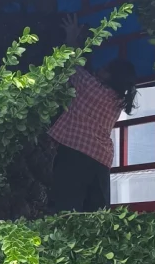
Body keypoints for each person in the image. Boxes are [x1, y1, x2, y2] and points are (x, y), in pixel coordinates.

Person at [46, 13, 136, 212]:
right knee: (94, 214)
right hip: (101, 162)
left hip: (76, 154)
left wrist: (71, 38)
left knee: (64, 209)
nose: (98, 70)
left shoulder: (92, 88)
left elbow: (72, 67)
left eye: (104, 69)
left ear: (111, 76)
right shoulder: (118, 101)